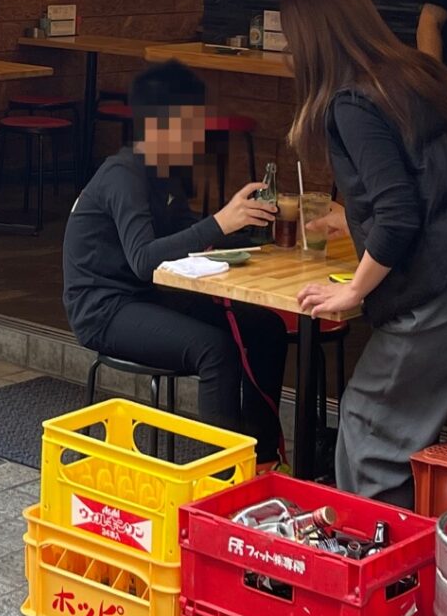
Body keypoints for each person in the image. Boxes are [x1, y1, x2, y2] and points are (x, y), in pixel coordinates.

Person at [283, 0, 447, 506]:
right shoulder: (420, 73)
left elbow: (399, 215)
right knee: (408, 437)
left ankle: (386, 577)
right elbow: (432, 176)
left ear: (311, 43)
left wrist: (353, 290)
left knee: (369, 433)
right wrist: (350, 213)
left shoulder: (351, 102)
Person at [62, 61, 289, 467]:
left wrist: (254, 225)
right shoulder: (122, 174)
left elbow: (188, 236)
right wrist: (221, 220)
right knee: (215, 350)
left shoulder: (166, 172)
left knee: (266, 327)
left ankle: (263, 458)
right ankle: (223, 477)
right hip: (104, 307)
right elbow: (144, 259)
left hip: (149, 297)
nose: (200, 136)